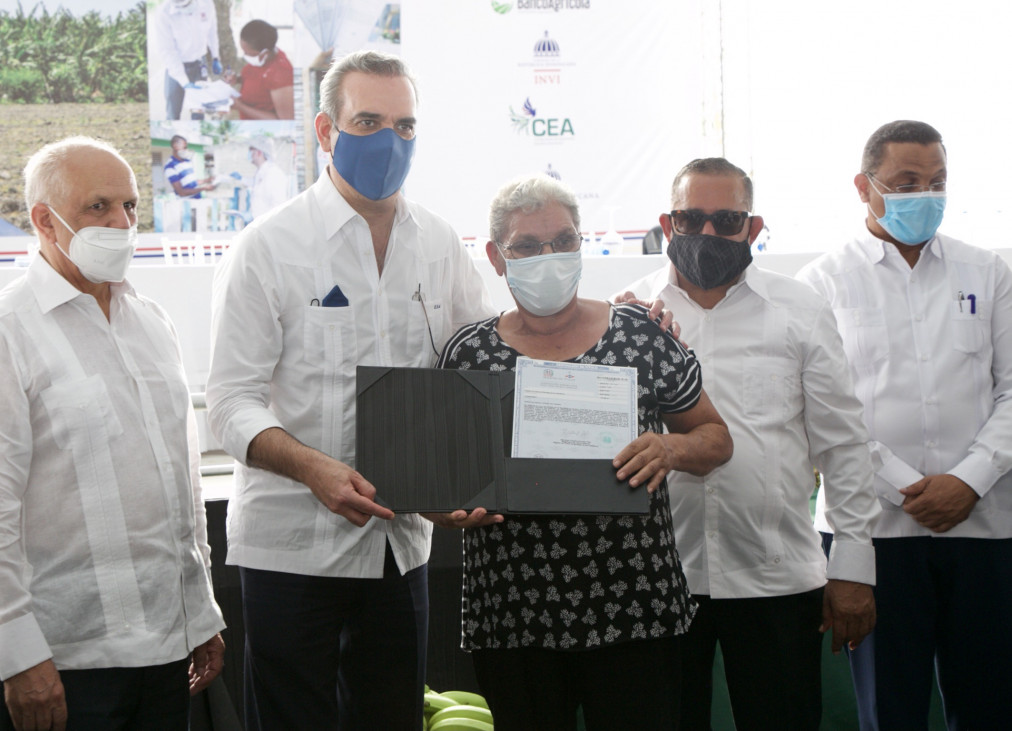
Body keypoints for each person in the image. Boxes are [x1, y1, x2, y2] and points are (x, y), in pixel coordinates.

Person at [205, 50, 495, 730]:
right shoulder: (269, 247)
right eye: (368, 122)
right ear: (325, 131)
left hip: (401, 545)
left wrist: (456, 479)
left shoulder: (438, 243)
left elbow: (481, 365)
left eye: (404, 125)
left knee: (393, 717)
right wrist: (314, 468)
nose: (389, 141)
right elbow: (229, 403)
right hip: (293, 548)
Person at [434, 174, 733, 731]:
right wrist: (444, 510)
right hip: (513, 615)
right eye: (527, 246)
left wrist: (669, 447)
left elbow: (716, 438)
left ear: (581, 244)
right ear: (496, 258)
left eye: (563, 240)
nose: (548, 256)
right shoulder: (468, 354)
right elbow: (440, 475)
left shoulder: (642, 335)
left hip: (634, 608)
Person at [0, 137, 225, 731]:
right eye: (98, 207)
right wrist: (20, 656)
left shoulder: (152, 322)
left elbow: (183, 483)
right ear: (44, 221)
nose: (121, 222)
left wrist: (200, 613)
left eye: (129, 206)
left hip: (166, 644)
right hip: (64, 659)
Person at [619, 158, 880, 730]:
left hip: (775, 573)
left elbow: (842, 444)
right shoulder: (627, 313)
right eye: (691, 219)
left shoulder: (800, 308)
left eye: (727, 220)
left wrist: (853, 564)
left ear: (753, 228)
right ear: (668, 224)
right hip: (659, 575)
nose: (708, 232)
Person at [796, 120, 1012, 731]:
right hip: (873, 533)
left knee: (990, 704)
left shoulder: (988, 272)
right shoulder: (821, 283)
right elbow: (824, 412)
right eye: (908, 183)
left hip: (983, 524)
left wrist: (968, 480)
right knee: (889, 710)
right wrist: (906, 486)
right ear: (863, 186)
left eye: (938, 182)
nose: (926, 196)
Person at [155, 0, 221, 120]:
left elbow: (212, 30)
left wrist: (215, 56)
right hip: (176, 65)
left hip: (200, 63)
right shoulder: (163, 13)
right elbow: (168, 51)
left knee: (198, 110)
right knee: (173, 112)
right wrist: (184, 82)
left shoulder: (206, 3)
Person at [228, 19, 294, 120]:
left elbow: (284, 121)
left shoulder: (281, 75)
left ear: (265, 53)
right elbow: (260, 81)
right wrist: (238, 79)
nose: (245, 55)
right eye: (243, 51)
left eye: (248, 53)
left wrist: (240, 106)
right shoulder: (262, 58)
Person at [247, 136, 291, 220]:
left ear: (259, 153)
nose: (249, 154)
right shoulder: (261, 173)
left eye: (251, 150)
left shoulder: (274, 174)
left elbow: (278, 207)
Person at [163, 134, 214, 200]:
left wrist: (208, 180)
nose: (186, 150)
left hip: (198, 199)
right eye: (184, 147)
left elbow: (192, 182)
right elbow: (181, 192)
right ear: (175, 146)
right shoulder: (170, 166)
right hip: (186, 203)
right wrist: (203, 188)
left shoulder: (187, 161)